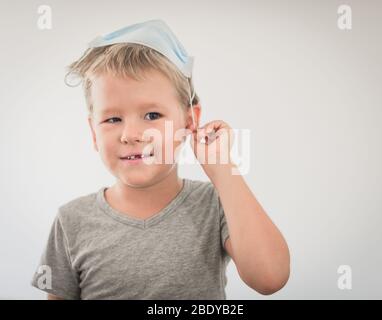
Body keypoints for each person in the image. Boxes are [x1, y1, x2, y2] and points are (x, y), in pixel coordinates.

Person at [31, 19, 290, 300]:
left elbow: (270, 277)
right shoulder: (71, 221)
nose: (130, 134)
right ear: (94, 133)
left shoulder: (214, 205)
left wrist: (221, 167)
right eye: (112, 119)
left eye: (152, 115)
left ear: (190, 121)